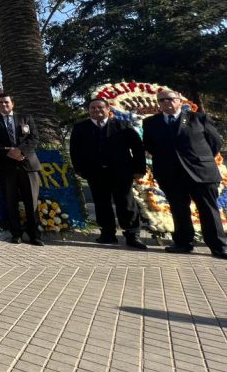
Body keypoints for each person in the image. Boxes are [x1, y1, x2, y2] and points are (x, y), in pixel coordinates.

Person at [143, 90, 227, 258]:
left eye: (170, 99)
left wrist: (199, 159)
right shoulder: (151, 122)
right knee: (179, 209)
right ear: (158, 104)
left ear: (179, 101)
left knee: (208, 210)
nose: (166, 102)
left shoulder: (199, 118)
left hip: (201, 173)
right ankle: (183, 243)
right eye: (162, 100)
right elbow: (150, 145)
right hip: (171, 174)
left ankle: (219, 246)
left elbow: (215, 143)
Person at [69, 98, 147, 249]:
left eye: (100, 108)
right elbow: (75, 150)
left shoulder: (122, 125)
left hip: (121, 172)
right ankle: (107, 233)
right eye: (93, 108)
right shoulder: (80, 127)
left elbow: (137, 148)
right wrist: (80, 169)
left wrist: (139, 169)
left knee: (126, 203)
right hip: (95, 173)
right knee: (101, 203)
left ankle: (132, 234)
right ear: (88, 110)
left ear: (107, 109)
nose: (96, 110)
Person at [0, 93, 44, 246]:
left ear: (12, 103)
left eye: (6, 102)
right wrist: (11, 153)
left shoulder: (26, 118)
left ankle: (34, 235)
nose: (3, 105)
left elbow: (34, 138)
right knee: (11, 202)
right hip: (6, 167)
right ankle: (16, 234)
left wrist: (21, 151)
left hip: (28, 166)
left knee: (31, 201)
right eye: (0, 103)